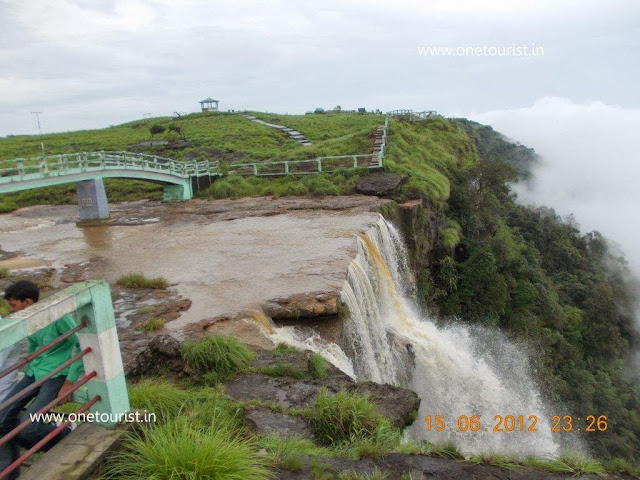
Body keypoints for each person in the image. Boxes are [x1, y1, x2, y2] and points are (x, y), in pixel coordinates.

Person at [0, 281, 83, 479]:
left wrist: (70, 382)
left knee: (30, 426)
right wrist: (29, 369)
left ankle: (64, 431)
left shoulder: (57, 317)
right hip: (34, 372)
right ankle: (17, 463)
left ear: (27, 302)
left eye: (13, 305)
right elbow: (33, 346)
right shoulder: (29, 319)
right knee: (2, 418)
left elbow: (80, 343)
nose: (10, 311)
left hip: (56, 374)